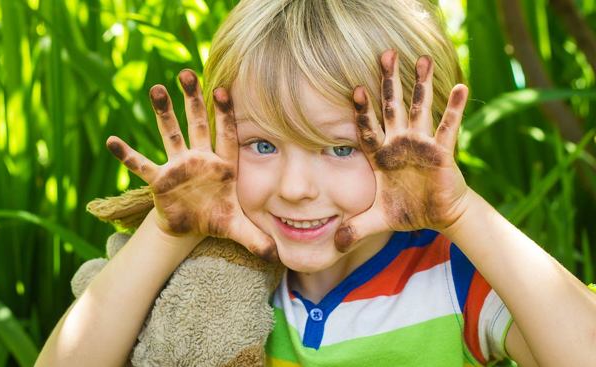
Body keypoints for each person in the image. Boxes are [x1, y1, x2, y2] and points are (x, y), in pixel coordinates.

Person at [36, 0, 596, 366]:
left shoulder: (450, 278)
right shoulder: (201, 272)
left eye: (342, 148)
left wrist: (461, 213)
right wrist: (165, 234)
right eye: (263, 145)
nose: (296, 187)